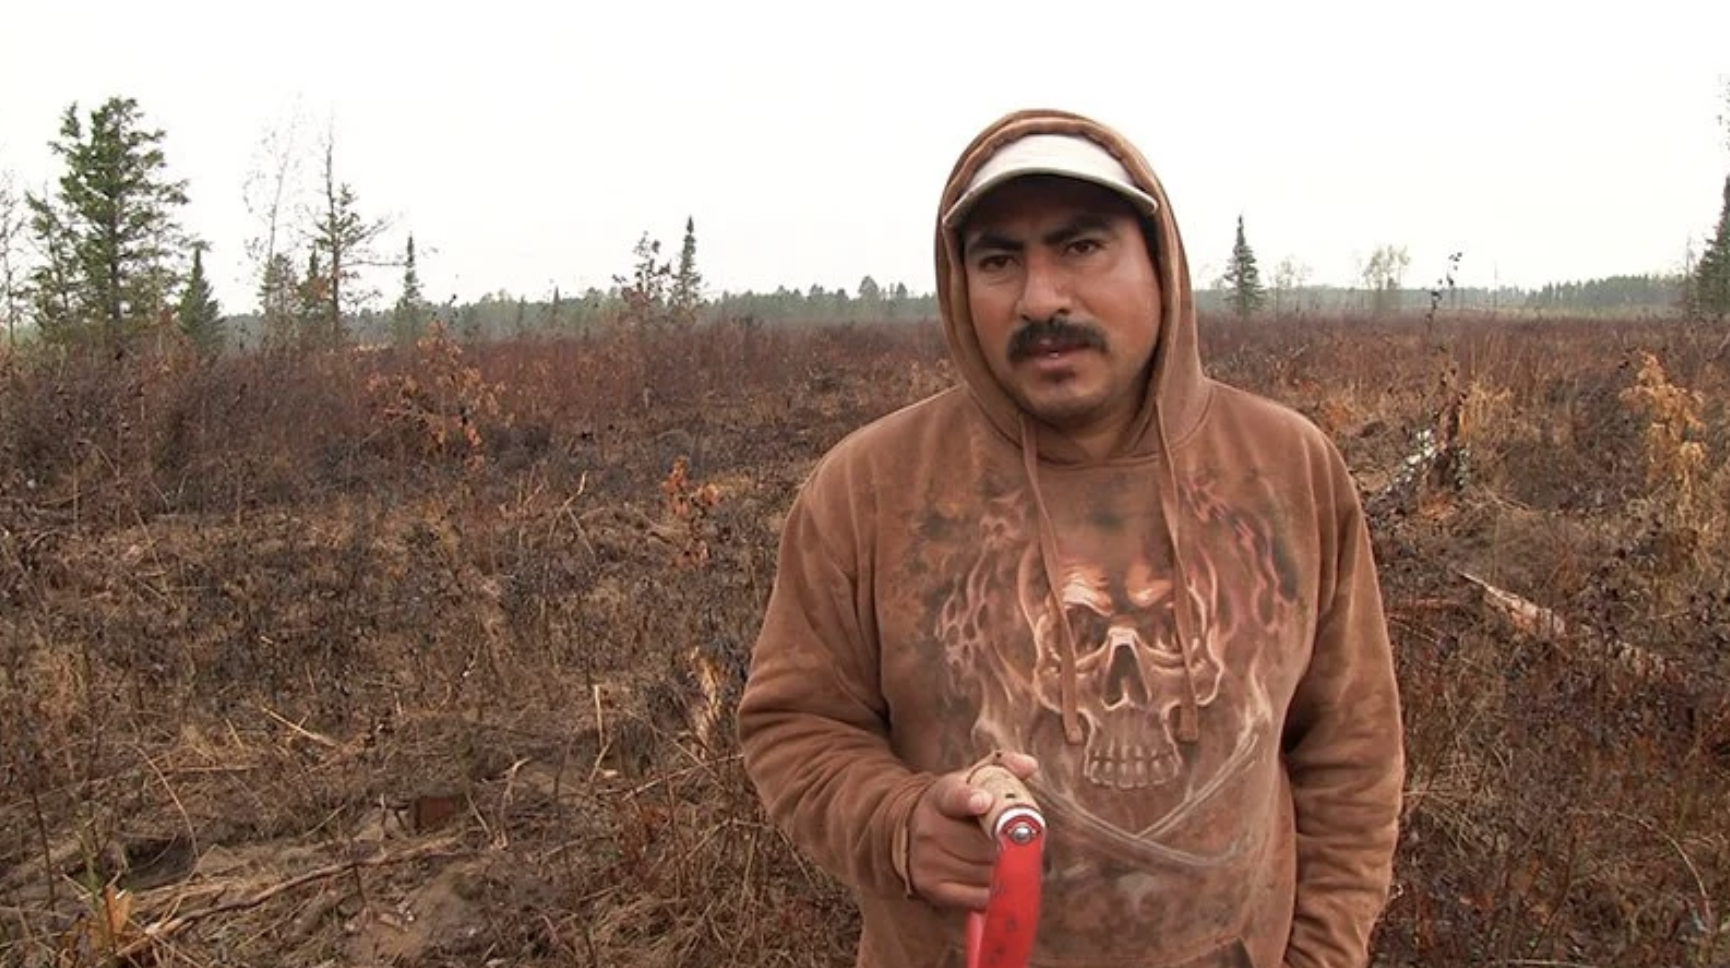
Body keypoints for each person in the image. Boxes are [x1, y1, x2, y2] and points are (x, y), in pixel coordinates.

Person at [736, 107, 1405, 968]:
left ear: (1158, 262)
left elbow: (1351, 752)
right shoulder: (869, 490)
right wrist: (899, 824)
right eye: (998, 260)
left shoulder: (1284, 467)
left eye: (1081, 246)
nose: (1040, 297)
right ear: (959, 284)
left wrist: (1321, 955)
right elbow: (795, 725)